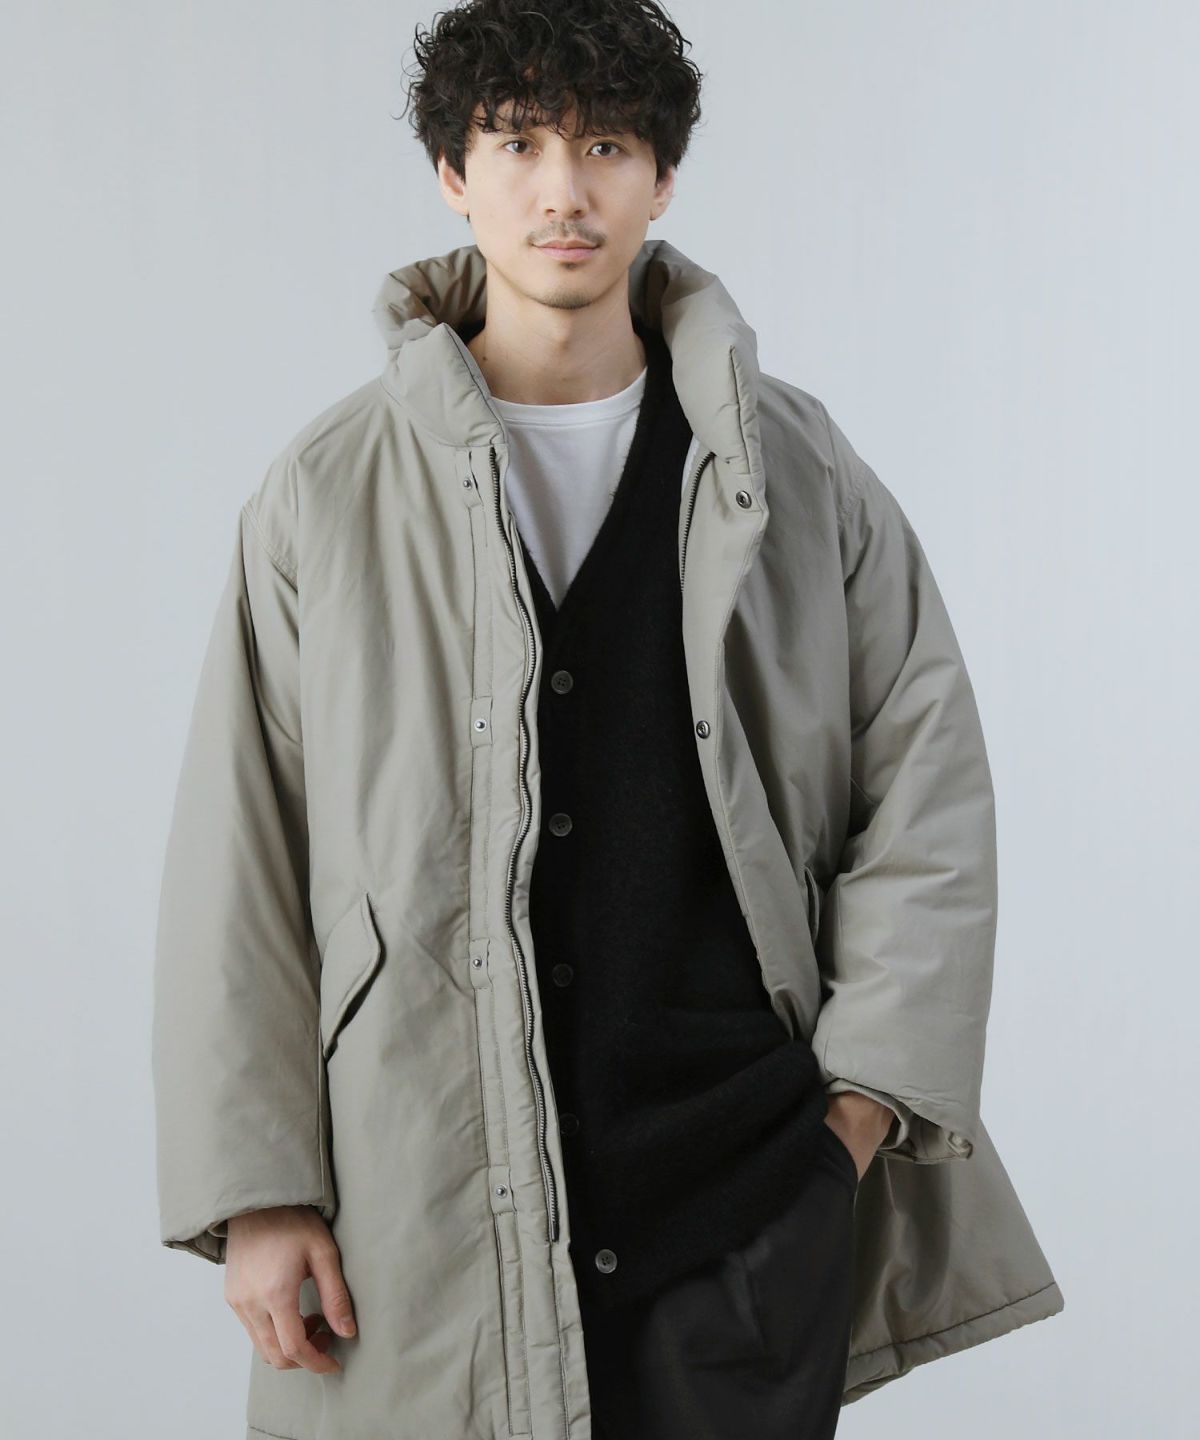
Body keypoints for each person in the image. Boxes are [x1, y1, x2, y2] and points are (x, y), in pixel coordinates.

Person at [151, 3, 1064, 1439]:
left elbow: (928, 787)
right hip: (427, 1195)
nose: (562, 191)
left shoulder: (798, 470)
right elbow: (243, 855)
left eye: (606, 146)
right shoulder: (326, 495)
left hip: (744, 1203)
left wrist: (851, 1125)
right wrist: (258, 1190)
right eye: (518, 144)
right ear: (453, 175)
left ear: (663, 177)